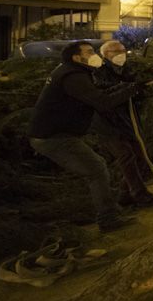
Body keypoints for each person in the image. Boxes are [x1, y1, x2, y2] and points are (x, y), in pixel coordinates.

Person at [28, 42, 141, 232]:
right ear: (76, 57)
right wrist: (131, 90)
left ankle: (111, 212)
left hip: (53, 134)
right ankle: (108, 219)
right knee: (96, 169)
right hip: (53, 137)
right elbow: (102, 102)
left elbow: (96, 94)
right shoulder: (73, 76)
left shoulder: (72, 72)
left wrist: (126, 88)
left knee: (96, 168)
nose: (94, 54)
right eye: (89, 52)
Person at [90, 40, 153, 208]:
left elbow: (132, 93)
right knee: (126, 156)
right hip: (107, 123)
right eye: (115, 51)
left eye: (122, 50)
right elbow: (106, 94)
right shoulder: (98, 72)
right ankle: (139, 194)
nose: (120, 54)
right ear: (105, 55)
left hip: (125, 121)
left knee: (139, 156)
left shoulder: (124, 70)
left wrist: (138, 89)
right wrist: (130, 88)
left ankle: (125, 194)